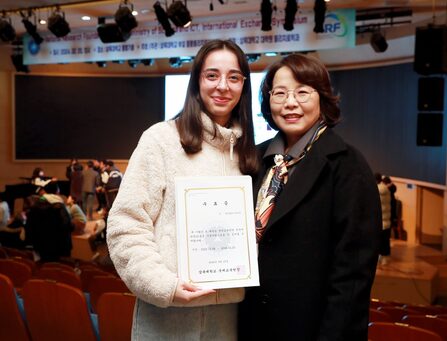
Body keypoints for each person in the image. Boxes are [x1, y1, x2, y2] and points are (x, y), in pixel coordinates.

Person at [107, 39, 259, 340]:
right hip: (167, 312)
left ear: (244, 85)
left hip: (227, 315)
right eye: (212, 75)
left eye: (233, 77)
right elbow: (125, 225)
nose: (222, 86)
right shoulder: (162, 139)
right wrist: (163, 285)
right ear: (197, 81)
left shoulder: (248, 153)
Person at [238, 54, 381, 340]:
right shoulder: (254, 159)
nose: (290, 103)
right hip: (249, 324)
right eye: (280, 93)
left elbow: (352, 276)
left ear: (323, 99)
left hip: (310, 329)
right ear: (268, 101)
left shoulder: (347, 165)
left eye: (303, 92)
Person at [376, 173, 392, 265]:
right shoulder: (385, 189)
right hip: (385, 221)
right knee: (385, 241)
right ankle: (384, 258)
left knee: (381, 241)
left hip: (381, 221)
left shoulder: (378, 190)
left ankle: (383, 258)